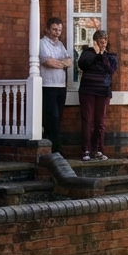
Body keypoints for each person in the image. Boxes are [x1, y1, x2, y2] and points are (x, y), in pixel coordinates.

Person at [77, 30, 118, 161]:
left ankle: (99, 149)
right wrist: (95, 53)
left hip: (103, 92)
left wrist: (101, 55)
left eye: (105, 40)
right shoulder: (87, 53)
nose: (104, 42)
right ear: (95, 41)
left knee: (100, 122)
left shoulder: (110, 56)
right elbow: (82, 64)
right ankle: (86, 150)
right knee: (87, 120)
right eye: (101, 40)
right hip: (87, 91)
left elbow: (110, 69)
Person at [38, 17, 73, 154]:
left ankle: (55, 147)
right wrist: (61, 63)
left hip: (61, 85)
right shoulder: (42, 43)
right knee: (51, 116)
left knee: (58, 117)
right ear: (47, 29)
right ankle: (53, 148)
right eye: (54, 29)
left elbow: (69, 61)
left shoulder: (60, 45)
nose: (57, 32)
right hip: (48, 85)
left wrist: (60, 63)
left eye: (59, 30)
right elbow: (47, 62)